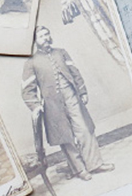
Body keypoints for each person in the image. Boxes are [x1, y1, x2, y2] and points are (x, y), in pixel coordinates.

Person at [22, 26, 114, 181]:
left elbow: (75, 72)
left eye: (47, 34)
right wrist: (36, 106)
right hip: (52, 106)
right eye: (41, 36)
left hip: (72, 97)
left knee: (84, 129)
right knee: (66, 137)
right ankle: (79, 170)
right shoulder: (31, 62)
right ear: (35, 41)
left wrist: (82, 92)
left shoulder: (61, 52)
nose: (45, 37)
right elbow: (26, 89)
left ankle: (95, 164)